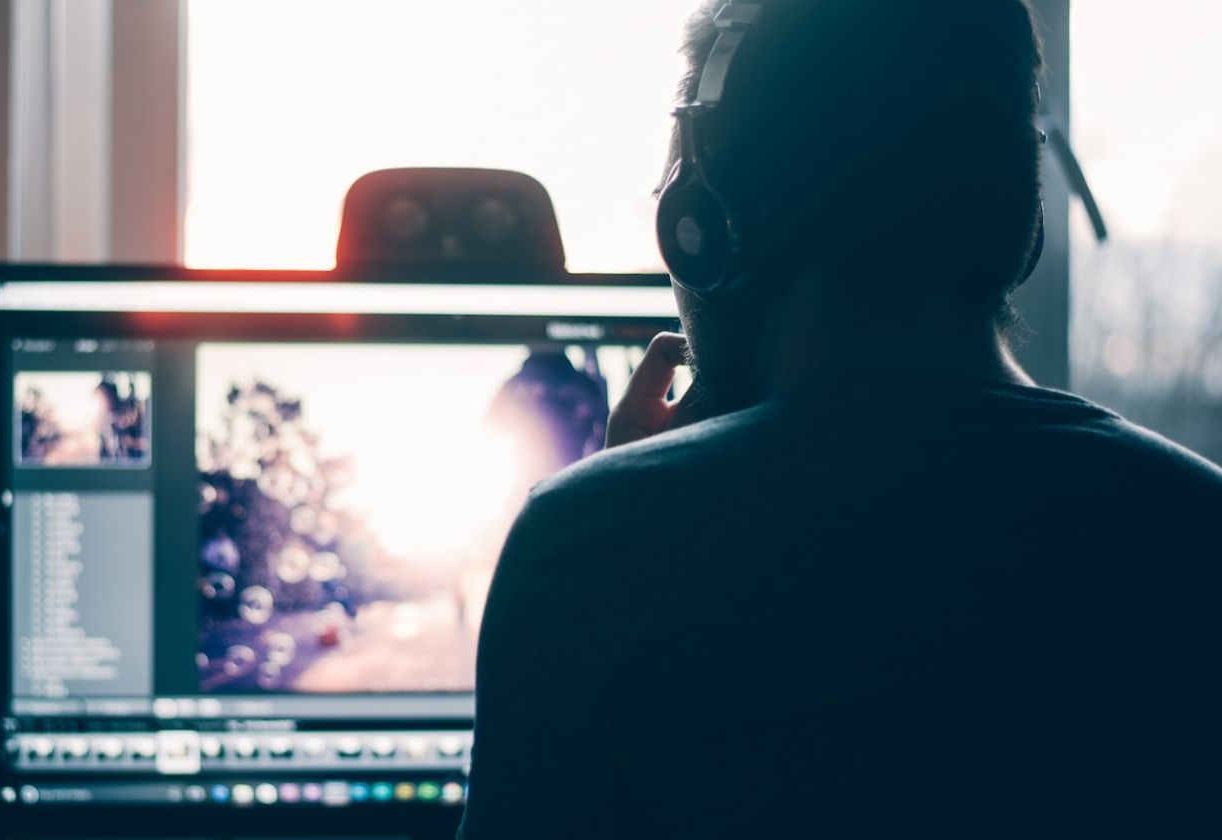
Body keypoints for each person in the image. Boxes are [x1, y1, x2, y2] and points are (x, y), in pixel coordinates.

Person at [460, 1, 1222, 837]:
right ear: (1019, 216)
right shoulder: (1195, 528)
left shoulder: (589, 548)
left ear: (704, 223)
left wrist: (630, 505)